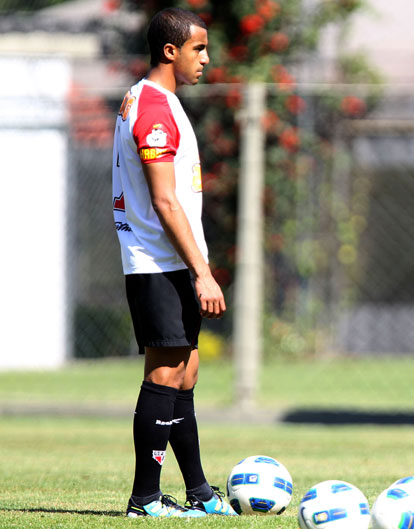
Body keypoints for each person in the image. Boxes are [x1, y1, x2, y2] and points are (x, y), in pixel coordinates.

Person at [111, 7, 236, 518]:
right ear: (170, 50)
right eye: (198, 48)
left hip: (171, 262)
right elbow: (164, 201)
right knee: (165, 374)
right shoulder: (155, 109)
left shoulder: (153, 99)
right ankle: (144, 498)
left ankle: (200, 493)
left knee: (185, 374)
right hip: (156, 261)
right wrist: (203, 271)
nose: (207, 58)